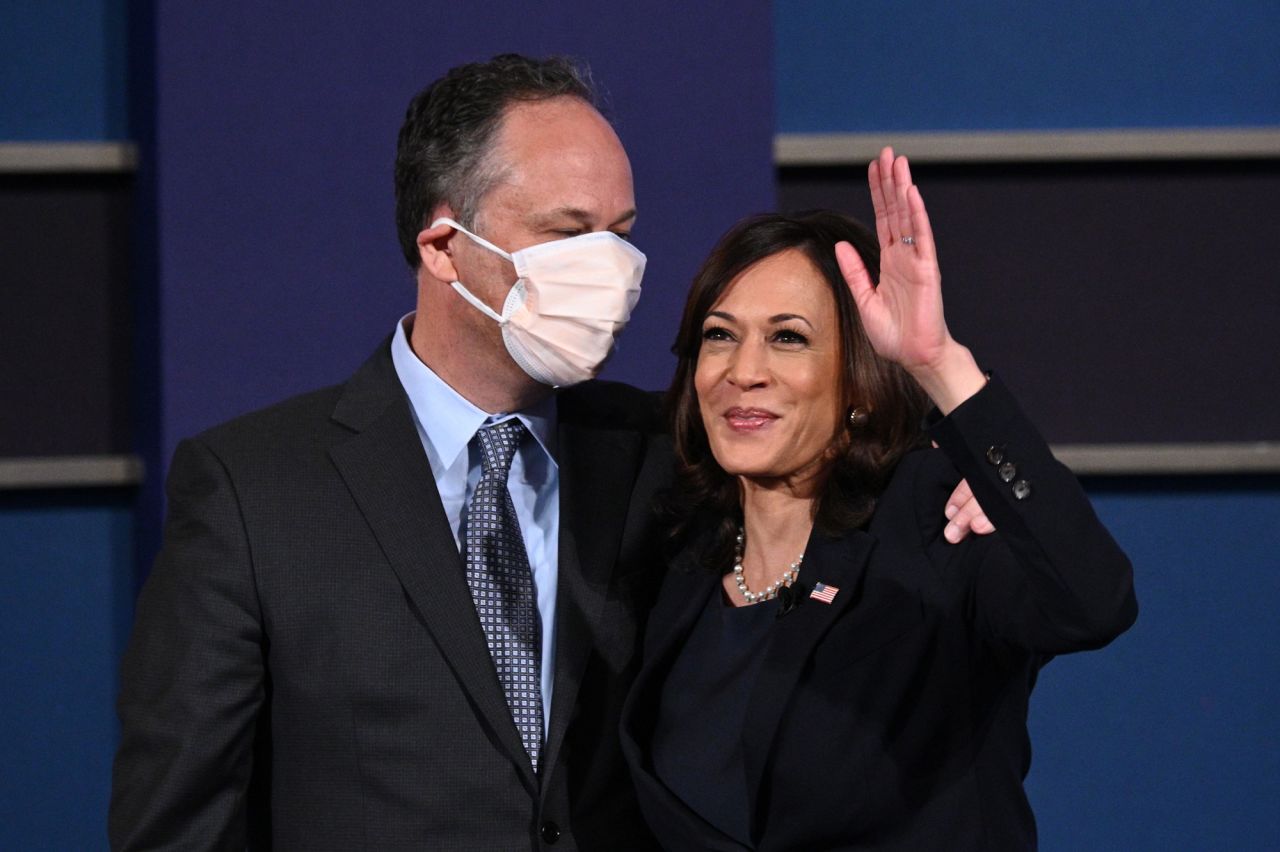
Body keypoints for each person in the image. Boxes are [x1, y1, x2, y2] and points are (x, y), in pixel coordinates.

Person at [109, 54, 992, 849]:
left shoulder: (667, 451)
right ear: (445, 249)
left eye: (621, 230)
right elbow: (181, 823)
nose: (609, 265)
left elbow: (858, 475)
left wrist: (968, 469)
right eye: (570, 234)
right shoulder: (252, 491)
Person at [619, 148, 1138, 850]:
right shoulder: (678, 552)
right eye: (720, 336)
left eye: (788, 339)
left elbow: (1093, 602)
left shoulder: (931, 516)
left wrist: (936, 362)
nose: (744, 372)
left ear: (858, 383)